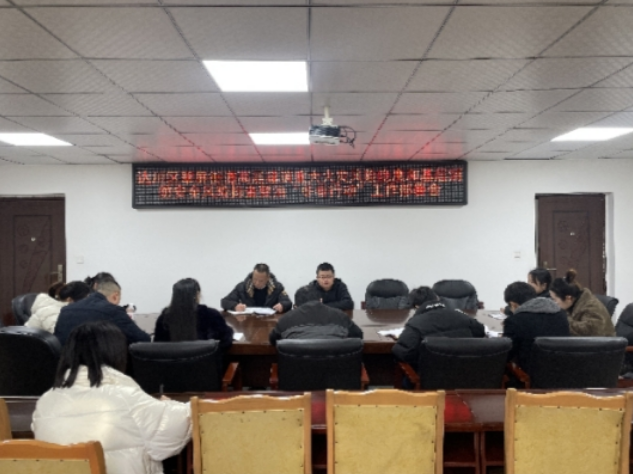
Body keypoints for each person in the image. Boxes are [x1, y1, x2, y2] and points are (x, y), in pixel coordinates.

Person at [32, 321, 191, 474]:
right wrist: (170, 404)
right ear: (116, 353)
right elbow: (182, 420)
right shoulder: (125, 398)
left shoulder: (45, 401)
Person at [392, 286, 486, 368]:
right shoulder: (462, 316)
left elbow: (404, 353)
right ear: (437, 299)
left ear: (416, 306)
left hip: (430, 379)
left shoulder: (415, 324)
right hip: (466, 375)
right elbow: (481, 332)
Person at [54, 279, 150, 345]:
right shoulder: (113, 310)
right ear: (115, 296)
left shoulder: (66, 310)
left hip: (67, 364)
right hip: (98, 365)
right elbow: (142, 339)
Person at [502, 281, 570, 373]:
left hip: (530, 375)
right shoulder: (561, 314)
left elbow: (506, 354)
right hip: (563, 370)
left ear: (513, 304)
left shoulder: (515, 321)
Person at [154, 278, 233, 350]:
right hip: (206, 361)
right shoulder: (211, 315)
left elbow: (158, 348)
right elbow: (225, 341)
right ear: (197, 294)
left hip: (172, 361)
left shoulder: (164, 319)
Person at [269, 285, 363, 345]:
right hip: (336, 369)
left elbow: (273, 340)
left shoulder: (285, 320)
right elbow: (358, 336)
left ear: (296, 306)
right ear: (321, 300)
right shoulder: (341, 316)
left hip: (297, 370)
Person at [550, 269, 615, 336]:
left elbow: (589, 332)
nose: (553, 303)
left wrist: (560, 319)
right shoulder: (574, 303)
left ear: (568, 298)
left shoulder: (591, 307)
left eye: (554, 300)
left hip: (600, 342)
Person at [221, 263, 292, 313]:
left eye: (261, 281)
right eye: (254, 279)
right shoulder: (242, 287)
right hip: (248, 322)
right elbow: (224, 301)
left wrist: (282, 305)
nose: (257, 283)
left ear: (268, 278)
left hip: (269, 322)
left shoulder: (277, 287)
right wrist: (235, 306)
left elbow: (288, 302)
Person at [26, 281, 91, 333]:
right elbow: (60, 334)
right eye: (85, 300)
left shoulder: (63, 309)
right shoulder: (51, 312)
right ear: (69, 300)